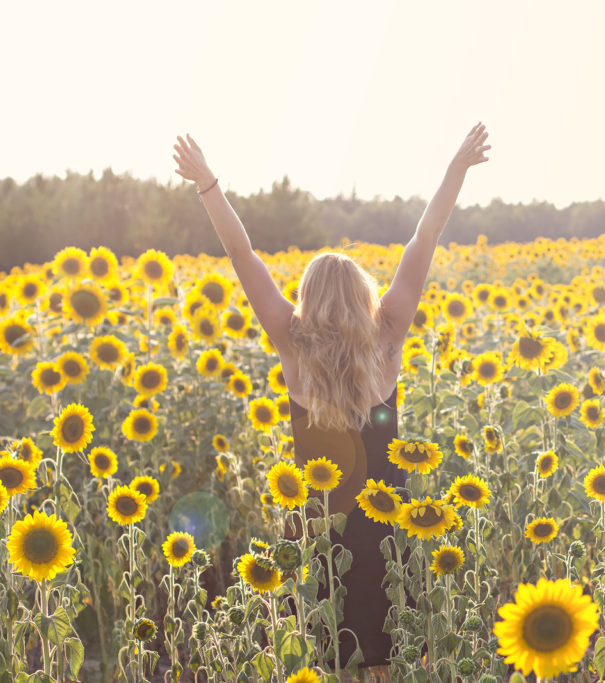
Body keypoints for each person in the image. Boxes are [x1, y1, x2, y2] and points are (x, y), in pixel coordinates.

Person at [172, 123, 490, 681]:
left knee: (325, 657)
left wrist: (208, 185)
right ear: (364, 296)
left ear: (308, 300)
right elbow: (424, 240)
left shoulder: (293, 348)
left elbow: (241, 253)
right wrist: (456, 168)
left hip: (318, 531)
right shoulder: (387, 339)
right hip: (389, 532)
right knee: (388, 661)